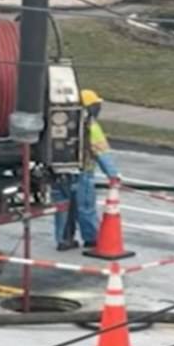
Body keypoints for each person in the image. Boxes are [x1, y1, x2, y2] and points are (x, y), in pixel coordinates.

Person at [53, 89, 119, 251]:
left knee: (62, 208)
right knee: (86, 206)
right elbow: (101, 153)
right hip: (83, 173)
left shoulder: (59, 122)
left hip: (58, 173)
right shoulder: (91, 127)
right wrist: (113, 175)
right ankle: (91, 238)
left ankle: (64, 239)